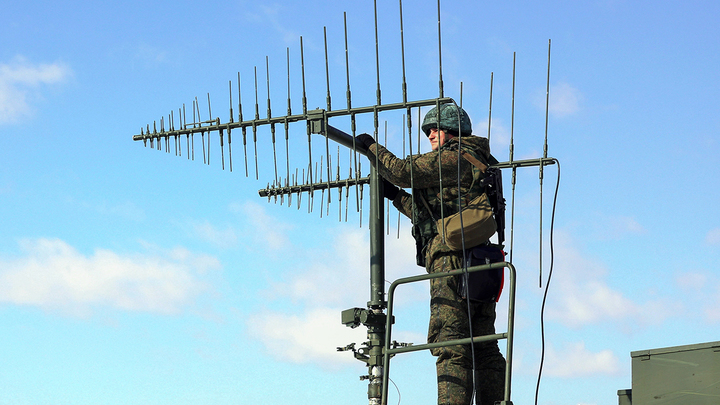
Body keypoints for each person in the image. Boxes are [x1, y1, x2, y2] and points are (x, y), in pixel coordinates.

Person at [355, 104, 506, 405]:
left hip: (452, 261)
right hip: (482, 261)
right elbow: (434, 219)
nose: (431, 135)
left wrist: (371, 146)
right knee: (482, 341)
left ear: (453, 131)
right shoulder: (479, 160)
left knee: (451, 343)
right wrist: (396, 197)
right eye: (428, 130)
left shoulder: (454, 156)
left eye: (436, 128)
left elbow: (402, 171)